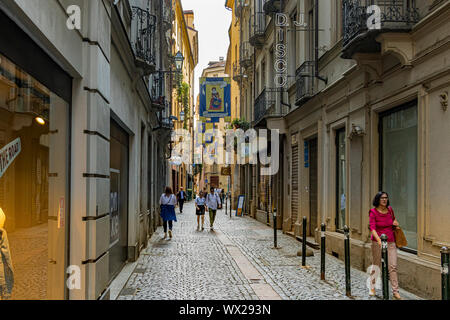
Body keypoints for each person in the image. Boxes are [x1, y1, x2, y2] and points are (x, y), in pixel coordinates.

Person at [369, 191, 401, 300]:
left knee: (393, 266)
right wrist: (379, 241)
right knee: (376, 265)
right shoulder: (373, 212)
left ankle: (395, 292)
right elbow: (372, 228)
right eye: (382, 198)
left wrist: (395, 224)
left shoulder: (390, 210)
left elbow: (394, 220)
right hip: (377, 242)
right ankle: (372, 286)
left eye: (386, 198)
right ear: (378, 200)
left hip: (391, 241)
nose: (384, 200)